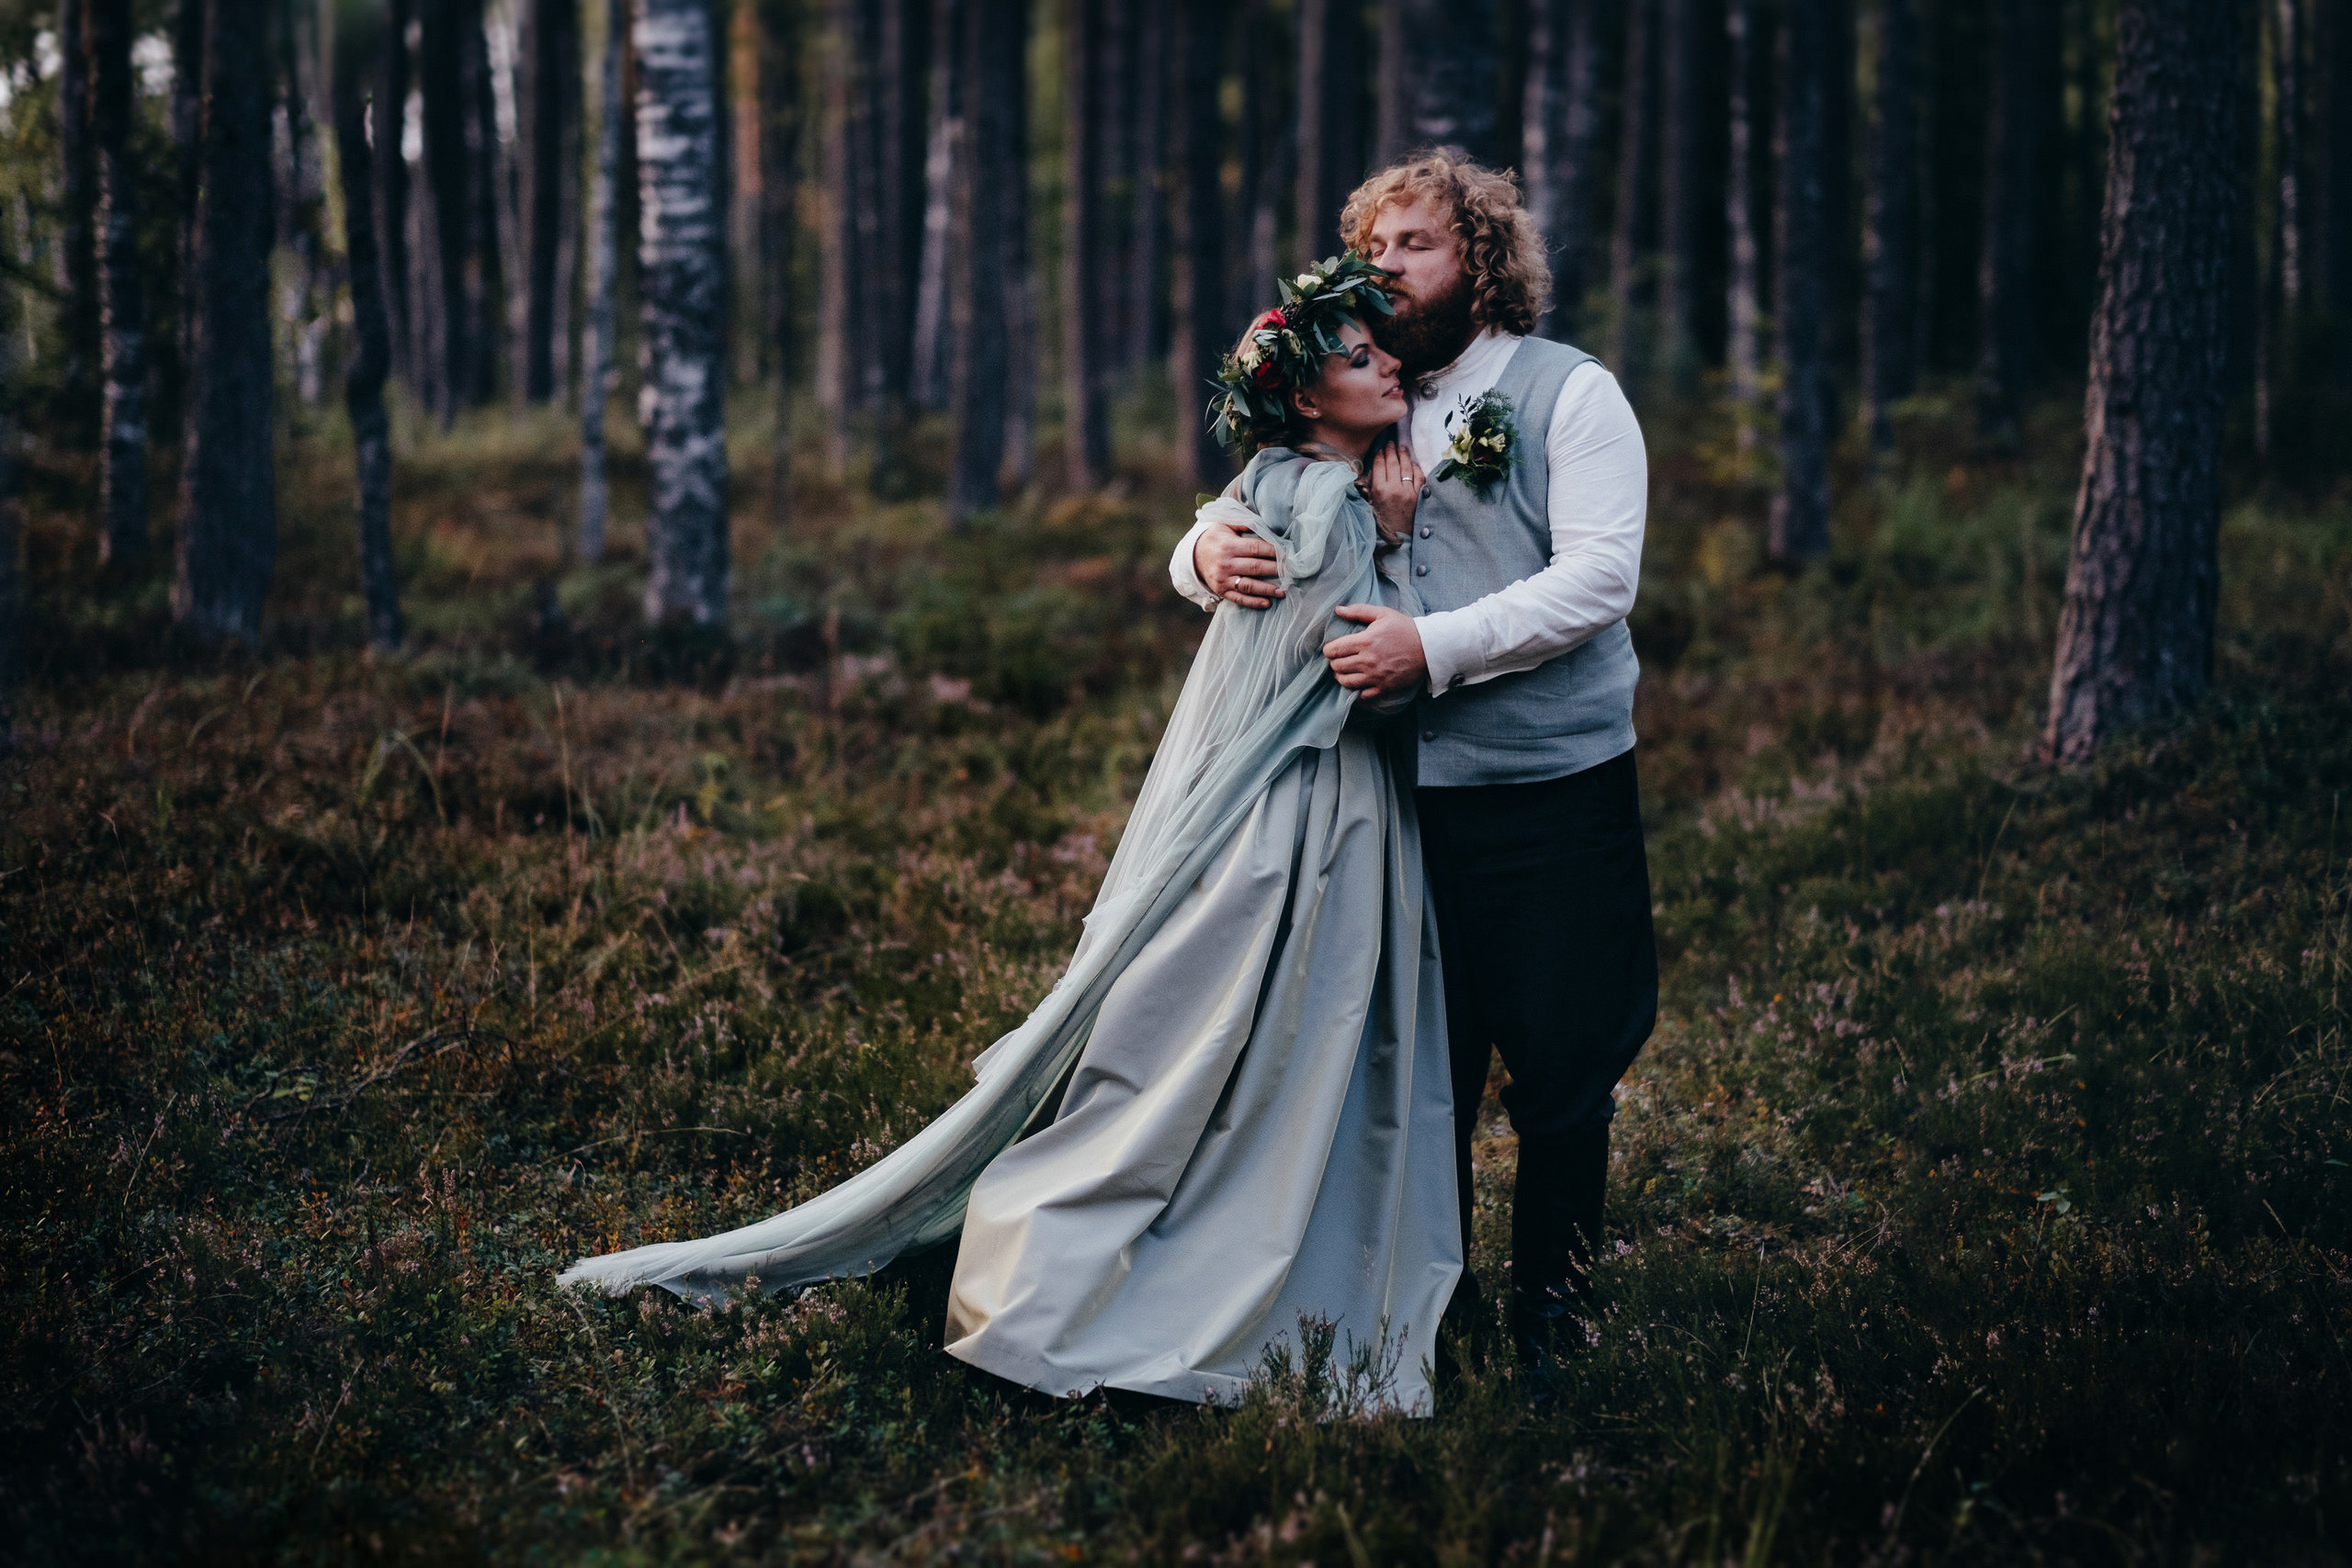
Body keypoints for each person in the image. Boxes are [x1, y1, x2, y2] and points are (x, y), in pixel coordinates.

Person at [563, 257, 1465, 1414]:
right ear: (1302, 400)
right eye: (1356, 357)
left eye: (1380, 350)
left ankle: (1170, 1261)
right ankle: (1111, 1281)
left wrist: (1228, 537)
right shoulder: (1322, 500)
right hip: (1300, 811)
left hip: (1306, 803)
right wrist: (1380, 534)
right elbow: (1351, 670)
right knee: (1245, 1044)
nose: (1386, 361)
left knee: (1246, 1046)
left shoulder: (1275, 483)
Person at [1170, 151, 1657, 1399]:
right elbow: (1245, 502)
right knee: (1405, 1064)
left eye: (1416, 246)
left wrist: (1429, 648)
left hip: (1551, 787)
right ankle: (1420, 1310)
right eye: (1373, 245)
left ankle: (1557, 1315)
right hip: (1390, 804)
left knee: (1561, 1057)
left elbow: (1601, 576)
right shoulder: (1352, 386)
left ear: (1481, 263)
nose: (1385, 267)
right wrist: (1202, 548)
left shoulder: (1568, 394)